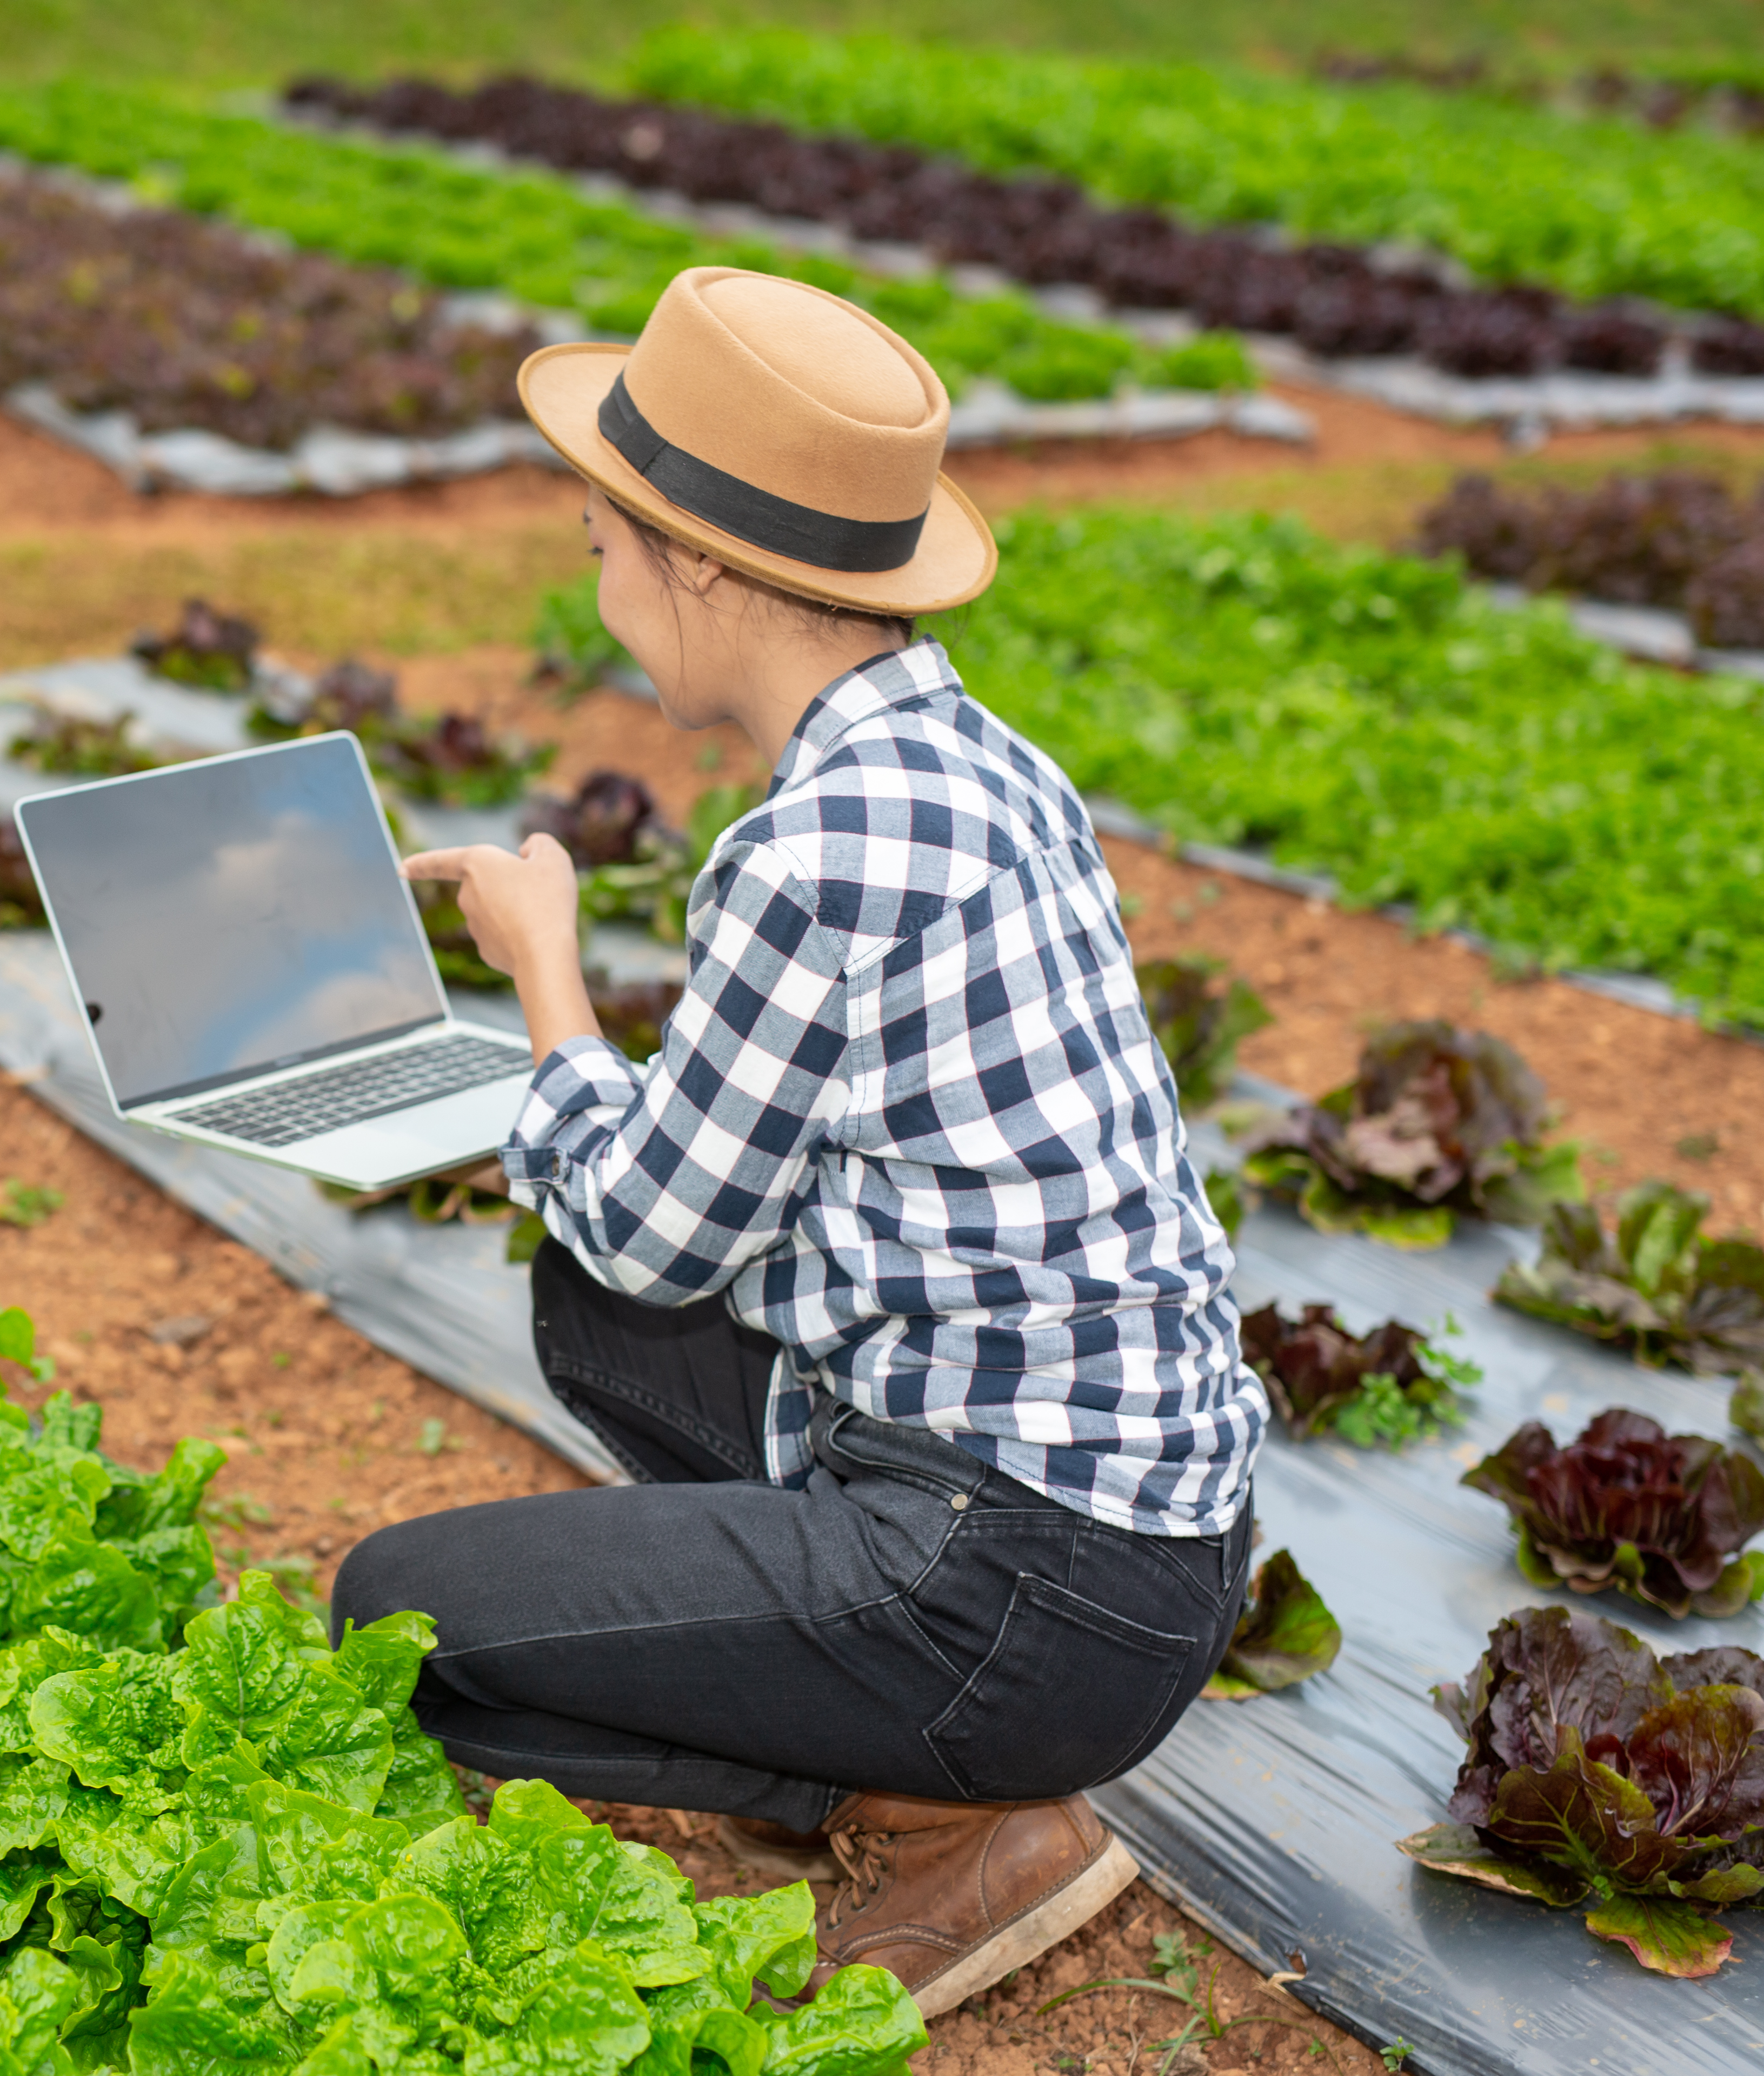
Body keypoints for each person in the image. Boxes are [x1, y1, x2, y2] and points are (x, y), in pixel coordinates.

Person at [340, 266, 1267, 2019]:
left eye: (601, 536)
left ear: (694, 558)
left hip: (1027, 1594)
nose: (592, 574)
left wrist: (543, 981)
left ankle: (937, 1813)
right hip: (1159, 1548)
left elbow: (648, 1219)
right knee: (596, 1316)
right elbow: (685, 1224)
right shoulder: (978, 762)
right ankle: (862, 1697)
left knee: (401, 1629)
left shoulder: (811, 846)